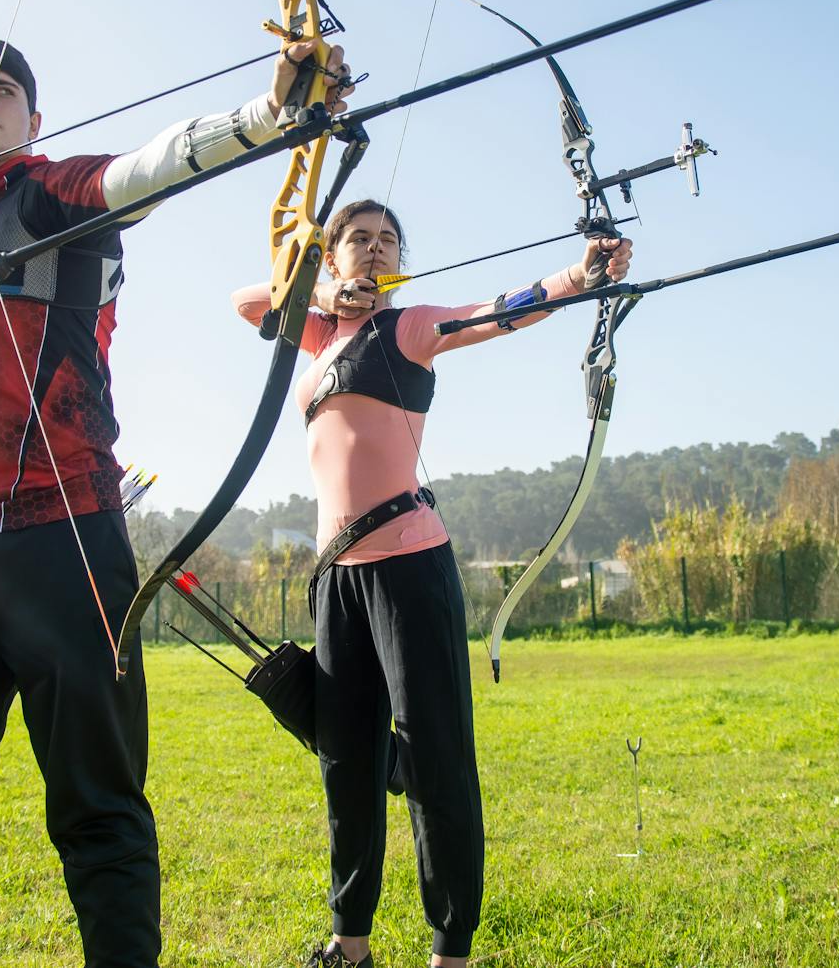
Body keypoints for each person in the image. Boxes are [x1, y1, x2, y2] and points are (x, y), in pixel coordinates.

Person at [0, 35, 353, 968]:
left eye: (5, 92)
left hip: (61, 532)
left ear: (35, 120)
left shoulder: (58, 189)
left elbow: (153, 164)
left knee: (98, 808)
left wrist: (270, 117)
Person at [230, 201, 633, 968]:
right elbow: (246, 301)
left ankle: (451, 950)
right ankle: (350, 943)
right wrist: (320, 294)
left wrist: (581, 274)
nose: (374, 249)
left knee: (434, 755)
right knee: (344, 759)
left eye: (388, 240)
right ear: (334, 254)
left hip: (410, 566)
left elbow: (498, 312)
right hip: (335, 583)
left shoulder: (409, 326)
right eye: (358, 239)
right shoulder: (315, 337)